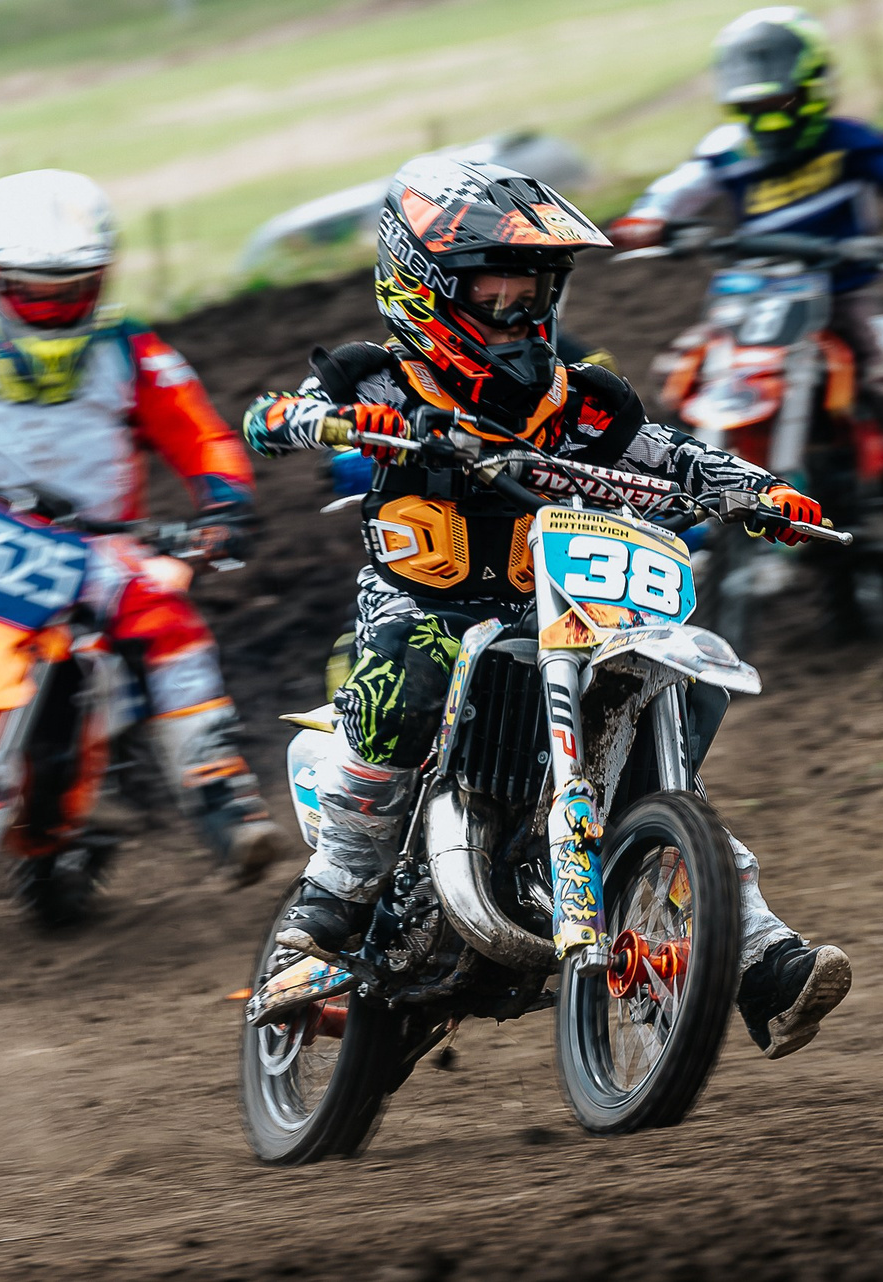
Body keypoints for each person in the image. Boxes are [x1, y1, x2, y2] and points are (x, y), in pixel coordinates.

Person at [244, 155, 851, 1059]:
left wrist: (762, 491)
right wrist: (337, 422)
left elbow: (672, 455)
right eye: (496, 286)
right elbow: (271, 418)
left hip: (561, 612)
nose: (518, 306)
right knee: (410, 674)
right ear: (425, 284)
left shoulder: (583, 400)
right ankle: (328, 905)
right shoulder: (383, 380)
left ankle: (757, 956)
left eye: (534, 287)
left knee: (662, 703)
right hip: (425, 604)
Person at [0, 169, 288, 884]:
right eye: (32, 290)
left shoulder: (135, 353)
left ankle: (220, 794)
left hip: (98, 549)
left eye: (70, 290)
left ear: (101, 280)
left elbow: (203, 438)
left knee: (172, 629)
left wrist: (225, 509)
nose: (51, 306)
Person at [611, 6, 883, 592]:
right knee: (676, 379)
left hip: (834, 298)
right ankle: (683, 524)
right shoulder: (727, 150)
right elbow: (677, 189)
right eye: (755, 104)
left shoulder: (846, 141)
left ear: (811, 88)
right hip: (747, 301)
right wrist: (647, 218)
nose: (767, 114)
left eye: (779, 99)